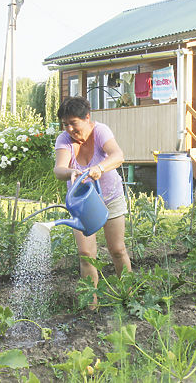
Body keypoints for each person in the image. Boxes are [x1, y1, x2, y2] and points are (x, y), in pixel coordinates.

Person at [53, 96, 132, 305]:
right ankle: (91, 305)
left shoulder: (100, 132)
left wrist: (99, 168)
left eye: (74, 123)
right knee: (86, 253)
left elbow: (118, 155)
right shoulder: (64, 140)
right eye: (65, 124)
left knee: (117, 250)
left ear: (87, 118)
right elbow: (58, 169)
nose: (69, 128)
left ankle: (128, 296)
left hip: (110, 197)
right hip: (82, 204)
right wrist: (71, 172)